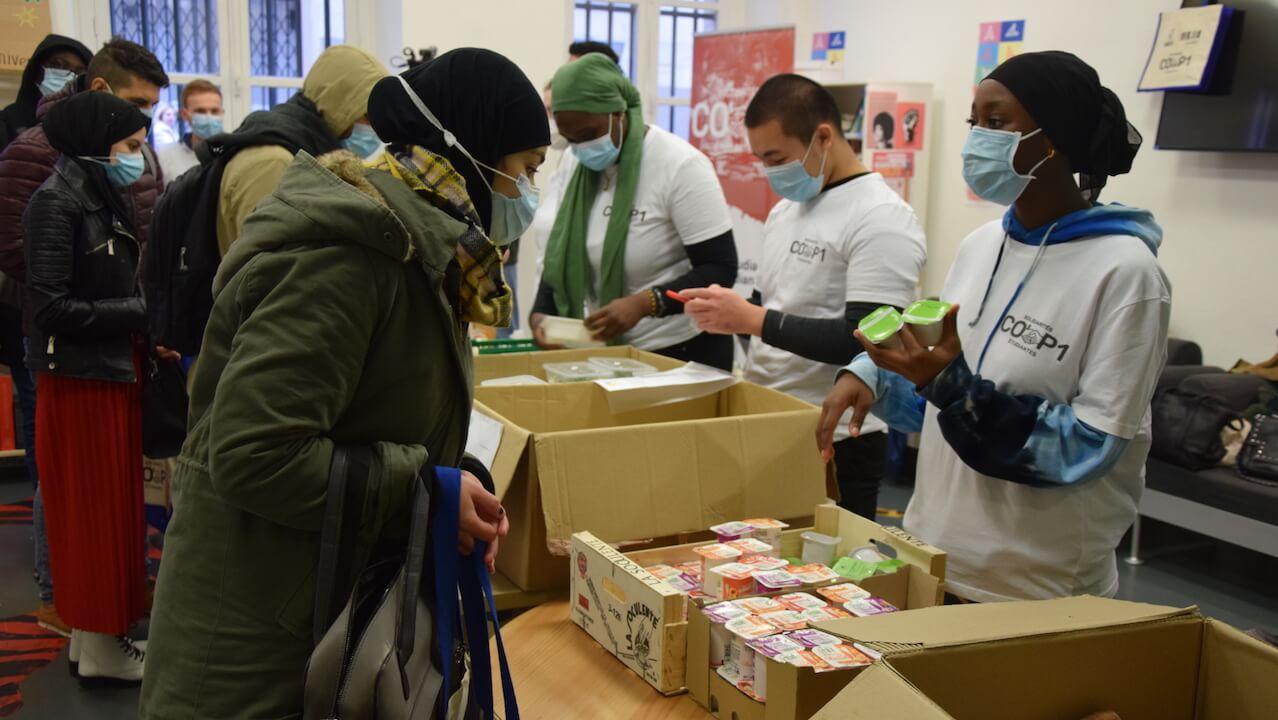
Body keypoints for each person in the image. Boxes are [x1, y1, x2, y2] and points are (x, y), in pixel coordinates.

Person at [140, 46, 542, 717]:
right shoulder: (347, 258)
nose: (528, 192)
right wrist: (423, 487)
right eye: (526, 170)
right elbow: (256, 456)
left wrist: (452, 476)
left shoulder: (421, 249)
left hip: (318, 615)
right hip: (255, 644)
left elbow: (374, 414)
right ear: (473, 154)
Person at [818, 51, 1170, 602]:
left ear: (1054, 138)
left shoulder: (1126, 273)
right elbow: (942, 405)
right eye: (973, 121)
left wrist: (949, 386)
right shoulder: (981, 246)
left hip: (1036, 586)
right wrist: (876, 376)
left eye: (997, 121)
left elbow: (1088, 448)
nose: (978, 138)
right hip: (934, 558)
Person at [683, 74, 926, 520]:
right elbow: (768, 308)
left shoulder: (881, 216)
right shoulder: (784, 211)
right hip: (769, 418)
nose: (770, 172)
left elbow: (868, 343)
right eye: (761, 160)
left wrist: (753, 319)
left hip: (838, 437)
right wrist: (726, 315)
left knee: (831, 576)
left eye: (776, 157)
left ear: (823, 136)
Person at [0, 36, 167, 638]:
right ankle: (59, 595)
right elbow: (24, 257)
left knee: (110, 488)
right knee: (66, 478)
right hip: (68, 342)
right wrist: (114, 298)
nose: (143, 126)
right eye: (137, 107)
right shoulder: (37, 157)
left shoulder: (131, 153)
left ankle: (108, 599)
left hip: (119, 333)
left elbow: (144, 221)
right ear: (102, 94)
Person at [24, 92, 153, 683]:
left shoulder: (98, 191)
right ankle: (101, 644)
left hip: (106, 370)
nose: (140, 156)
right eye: (130, 145)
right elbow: (50, 306)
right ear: (96, 144)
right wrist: (139, 312)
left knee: (105, 511)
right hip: (80, 379)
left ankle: (94, 637)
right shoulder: (56, 201)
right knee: (93, 513)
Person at [530, 54, 738, 370]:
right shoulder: (576, 164)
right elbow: (562, 248)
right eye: (571, 140)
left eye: (588, 134)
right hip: (605, 352)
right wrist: (541, 311)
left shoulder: (681, 167)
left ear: (619, 113)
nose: (581, 148)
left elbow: (720, 267)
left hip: (678, 351)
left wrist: (645, 303)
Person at [214, 44, 387, 255]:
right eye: (367, 116)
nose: (374, 130)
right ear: (340, 104)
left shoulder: (306, 152)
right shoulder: (273, 162)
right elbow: (265, 271)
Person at [0, 34, 92, 149]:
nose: (69, 77)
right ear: (37, 71)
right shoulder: (5, 124)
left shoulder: (88, 132)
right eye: (58, 65)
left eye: (80, 72)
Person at [155, 78, 223, 178]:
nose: (209, 117)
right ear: (184, 115)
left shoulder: (235, 154)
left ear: (222, 113)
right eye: (200, 111)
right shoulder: (164, 156)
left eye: (214, 111)